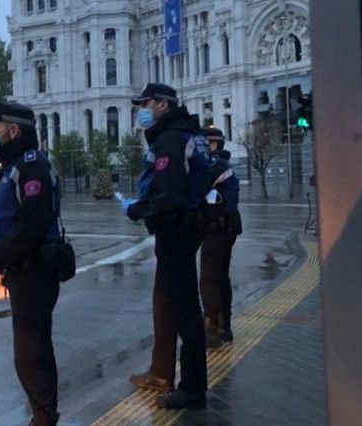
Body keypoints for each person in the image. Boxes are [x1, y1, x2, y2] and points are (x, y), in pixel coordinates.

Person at [121, 83, 210, 409]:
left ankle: (192, 388)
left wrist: (136, 209)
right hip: (185, 227)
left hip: (176, 230)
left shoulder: (171, 139)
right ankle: (181, 380)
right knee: (181, 305)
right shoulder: (183, 134)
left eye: (143, 104)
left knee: (185, 310)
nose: (139, 110)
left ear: (162, 105)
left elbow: (167, 195)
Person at [0, 101, 62, 426]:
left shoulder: (32, 168)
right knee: (32, 349)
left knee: (31, 353)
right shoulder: (18, 166)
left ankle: (44, 417)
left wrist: (4, 255)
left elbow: (32, 223)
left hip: (34, 271)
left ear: (13, 130)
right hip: (25, 270)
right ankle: (43, 413)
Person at [199, 128, 241, 348]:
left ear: (213, 144)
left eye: (204, 143)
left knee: (208, 278)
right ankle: (225, 326)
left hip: (217, 228)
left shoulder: (215, 165)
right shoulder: (222, 164)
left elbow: (198, 189)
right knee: (221, 277)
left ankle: (213, 329)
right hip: (226, 228)